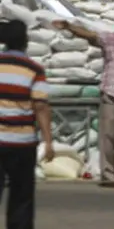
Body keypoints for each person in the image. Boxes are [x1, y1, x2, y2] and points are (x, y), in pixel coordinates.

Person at [53, 10, 114, 188]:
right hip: (113, 93)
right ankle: (108, 175)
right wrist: (69, 27)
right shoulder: (110, 40)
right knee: (109, 136)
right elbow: (90, 35)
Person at [0, 20, 54, 229]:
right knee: (21, 197)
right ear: (26, 41)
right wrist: (48, 141)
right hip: (22, 143)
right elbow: (40, 106)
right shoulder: (34, 69)